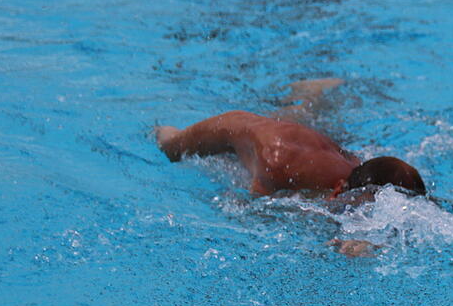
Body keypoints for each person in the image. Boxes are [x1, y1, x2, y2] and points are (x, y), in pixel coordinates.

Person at [154, 78, 426, 256]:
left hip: (303, 142)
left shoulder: (362, 171)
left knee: (300, 120)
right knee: (171, 147)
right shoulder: (278, 165)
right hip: (235, 128)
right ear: (338, 189)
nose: (356, 214)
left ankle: (310, 94)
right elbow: (250, 212)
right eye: (354, 209)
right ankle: (155, 124)